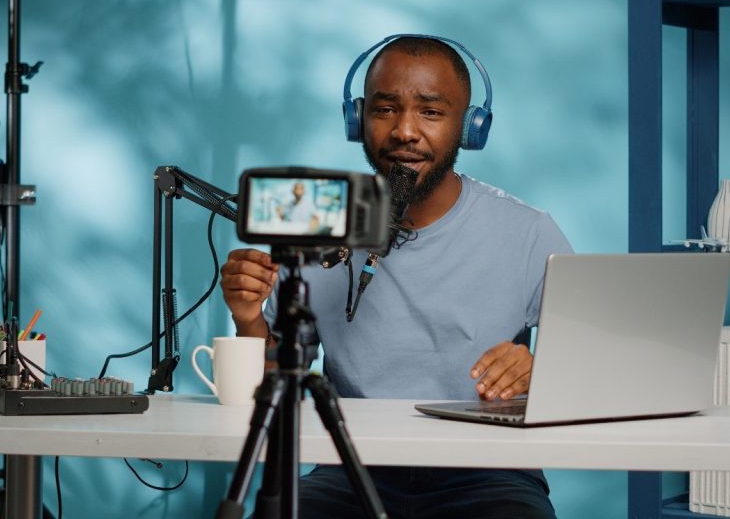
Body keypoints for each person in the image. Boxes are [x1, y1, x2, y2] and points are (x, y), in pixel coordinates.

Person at [220, 35, 573, 519]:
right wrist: (248, 320)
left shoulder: (529, 231)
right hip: (351, 468)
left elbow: (601, 374)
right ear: (357, 120)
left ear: (469, 128)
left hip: (490, 474)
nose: (405, 131)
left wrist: (545, 369)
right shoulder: (317, 227)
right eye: (385, 109)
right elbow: (272, 386)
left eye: (430, 112)